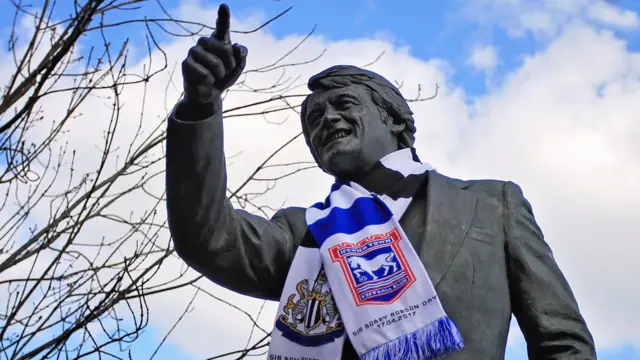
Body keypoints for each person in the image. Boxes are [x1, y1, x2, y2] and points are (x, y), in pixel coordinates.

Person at [166, 4, 596, 359]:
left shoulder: (492, 205)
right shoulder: (306, 234)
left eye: (343, 104)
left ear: (393, 119)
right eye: (314, 119)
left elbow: (561, 342)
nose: (327, 119)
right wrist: (200, 106)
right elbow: (207, 237)